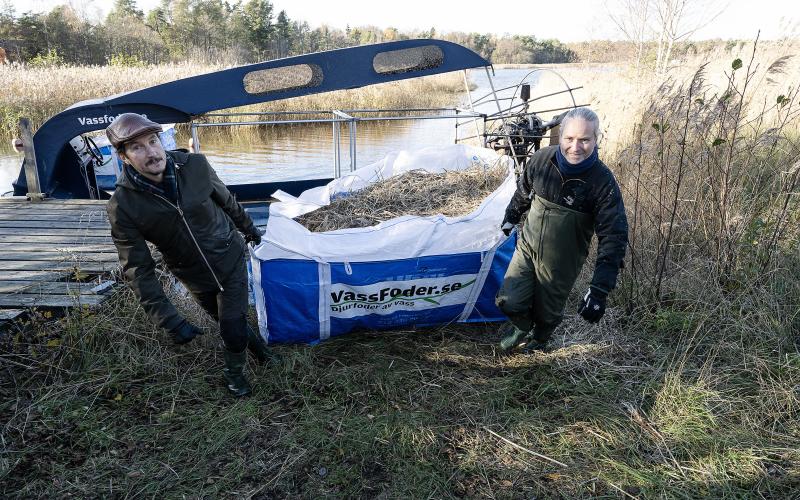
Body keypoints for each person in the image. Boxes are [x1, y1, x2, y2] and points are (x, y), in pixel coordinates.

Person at [105, 113, 274, 396]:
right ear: (123, 157)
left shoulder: (195, 165)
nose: (151, 152)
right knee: (228, 321)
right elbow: (137, 269)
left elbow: (227, 201)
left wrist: (250, 230)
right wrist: (167, 318)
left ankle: (234, 374)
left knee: (231, 325)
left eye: (153, 141)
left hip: (228, 256)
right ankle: (263, 355)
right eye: (137, 147)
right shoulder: (123, 206)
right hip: (192, 275)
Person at [495, 107, 628, 352]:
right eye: (569, 139)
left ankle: (541, 338)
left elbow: (614, 236)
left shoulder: (602, 182)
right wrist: (511, 215)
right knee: (509, 301)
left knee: (548, 312)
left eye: (584, 140)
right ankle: (521, 327)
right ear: (561, 136)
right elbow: (524, 190)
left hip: (562, 261)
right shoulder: (542, 160)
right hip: (528, 246)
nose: (575, 147)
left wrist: (599, 290)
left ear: (596, 139)